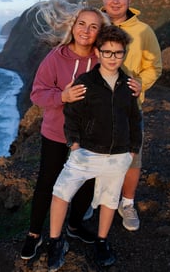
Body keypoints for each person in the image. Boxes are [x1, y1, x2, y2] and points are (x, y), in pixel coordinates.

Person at [20, 0, 114, 260]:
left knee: (87, 182)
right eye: (81, 23)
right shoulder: (56, 57)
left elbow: (117, 87)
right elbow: (38, 93)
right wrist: (63, 96)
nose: (85, 30)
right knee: (46, 183)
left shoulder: (102, 59)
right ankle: (34, 234)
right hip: (56, 133)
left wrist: (134, 88)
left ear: (100, 32)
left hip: (89, 137)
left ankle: (74, 225)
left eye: (93, 26)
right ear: (73, 26)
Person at [47, 25, 143, 271]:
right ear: (98, 53)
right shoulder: (86, 82)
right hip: (86, 152)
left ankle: (102, 241)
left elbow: (134, 118)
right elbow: (72, 115)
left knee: (110, 200)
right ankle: (56, 241)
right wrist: (75, 144)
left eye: (118, 53)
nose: (113, 58)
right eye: (107, 52)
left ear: (124, 53)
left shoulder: (129, 84)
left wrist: (132, 148)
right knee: (60, 193)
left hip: (119, 155)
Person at [91, 0, 162, 232]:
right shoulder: (94, 26)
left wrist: (142, 84)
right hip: (95, 106)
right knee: (95, 154)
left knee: (132, 158)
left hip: (129, 108)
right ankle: (96, 200)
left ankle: (127, 203)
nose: (116, 1)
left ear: (129, 0)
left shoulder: (143, 31)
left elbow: (155, 65)